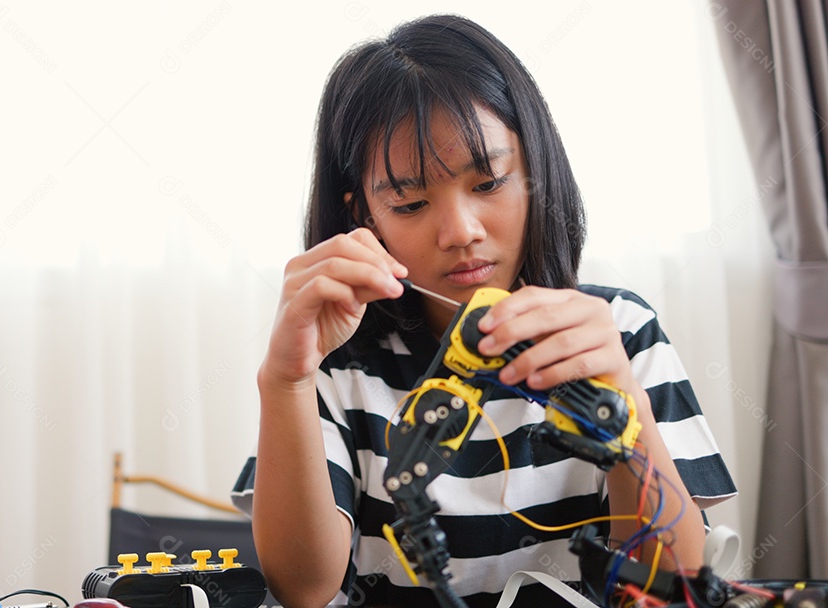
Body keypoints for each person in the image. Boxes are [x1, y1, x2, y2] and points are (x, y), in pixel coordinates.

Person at [230, 13, 736, 608]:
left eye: (490, 182)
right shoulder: (338, 361)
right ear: (364, 218)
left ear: (535, 174)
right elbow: (303, 588)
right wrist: (285, 381)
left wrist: (619, 401)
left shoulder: (617, 334)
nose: (460, 231)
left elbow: (673, 583)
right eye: (412, 201)